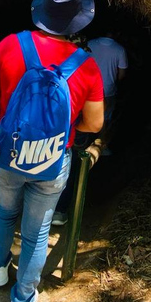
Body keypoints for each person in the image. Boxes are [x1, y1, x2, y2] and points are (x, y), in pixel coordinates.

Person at [0, 0, 104, 302]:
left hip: (7, 154)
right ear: (78, 19)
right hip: (51, 160)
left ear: (41, 10)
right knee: (37, 232)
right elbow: (94, 124)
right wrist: (64, 132)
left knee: (3, 214)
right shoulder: (87, 64)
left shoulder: (8, 46)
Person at [52, 32, 127, 225]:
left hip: (44, 134)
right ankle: (60, 210)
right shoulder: (90, 73)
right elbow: (94, 122)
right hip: (75, 128)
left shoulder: (49, 65)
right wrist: (79, 129)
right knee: (73, 161)